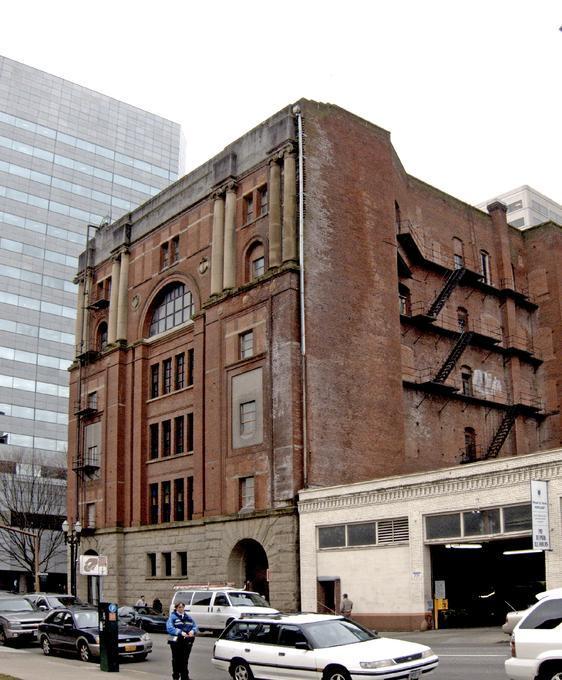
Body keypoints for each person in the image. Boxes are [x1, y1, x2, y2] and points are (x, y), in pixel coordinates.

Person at [166, 601, 198, 680]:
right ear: (176, 608)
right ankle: (176, 676)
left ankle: (185, 676)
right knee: (176, 659)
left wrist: (192, 631)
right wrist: (180, 632)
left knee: (185, 659)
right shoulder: (172, 617)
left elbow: (195, 626)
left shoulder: (188, 617)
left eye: (182, 607)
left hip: (186, 641)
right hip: (176, 641)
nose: (181, 608)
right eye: (179, 607)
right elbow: (169, 628)